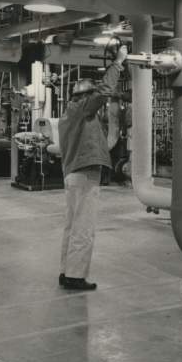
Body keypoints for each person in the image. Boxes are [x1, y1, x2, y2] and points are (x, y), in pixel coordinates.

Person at [57, 44, 127, 290]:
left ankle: (66, 272)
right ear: (86, 96)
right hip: (85, 173)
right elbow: (105, 90)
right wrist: (118, 62)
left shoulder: (69, 114)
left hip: (72, 174)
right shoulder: (83, 108)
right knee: (84, 227)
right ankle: (76, 277)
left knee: (72, 225)